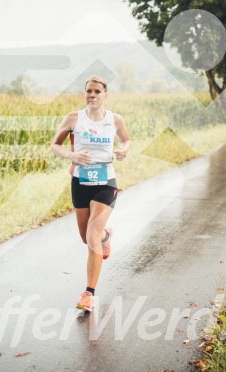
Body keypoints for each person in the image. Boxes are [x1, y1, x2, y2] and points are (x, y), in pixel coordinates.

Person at [51, 76, 131, 312]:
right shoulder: (73, 118)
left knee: (92, 235)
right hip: (80, 182)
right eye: (89, 91)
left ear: (105, 95)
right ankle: (106, 236)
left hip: (106, 182)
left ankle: (89, 293)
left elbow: (127, 139)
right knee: (87, 238)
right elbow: (55, 145)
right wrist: (71, 156)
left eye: (97, 91)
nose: (92, 95)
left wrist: (123, 150)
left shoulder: (115, 120)